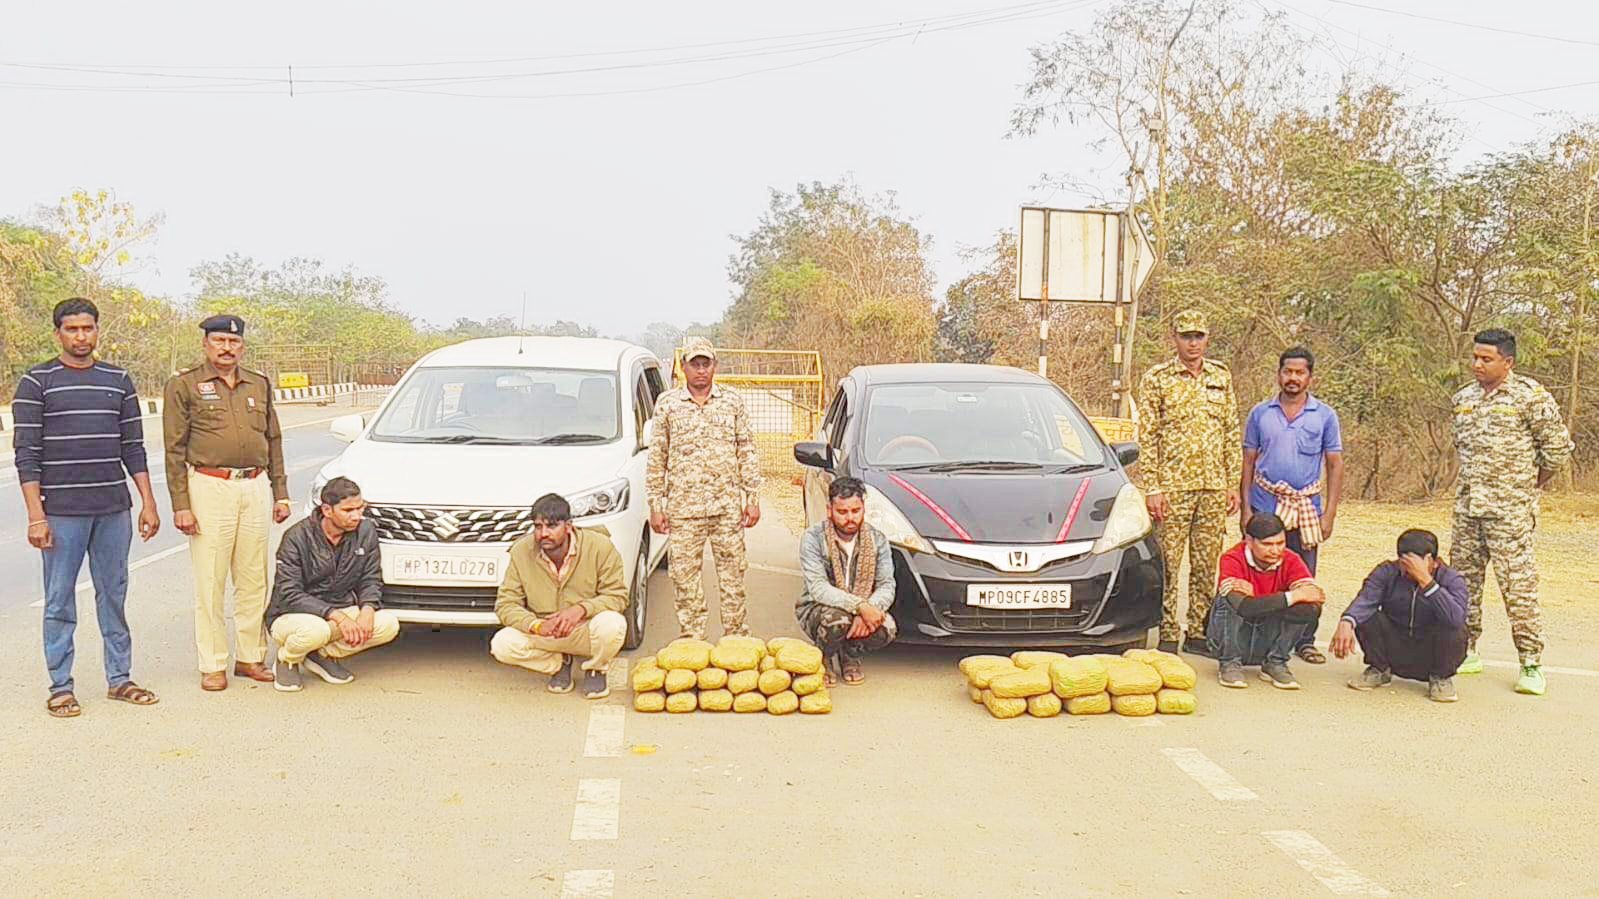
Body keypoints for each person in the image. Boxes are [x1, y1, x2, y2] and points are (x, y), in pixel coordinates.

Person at [14, 298, 162, 718]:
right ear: (57, 332)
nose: (81, 336)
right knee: (59, 601)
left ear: (98, 330)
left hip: (113, 509)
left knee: (113, 595)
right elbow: (27, 454)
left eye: (88, 328)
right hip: (61, 513)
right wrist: (36, 516)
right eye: (72, 329)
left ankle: (120, 679)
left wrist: (147, 503)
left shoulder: (117, 380)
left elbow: (133, 447)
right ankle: (61, 686)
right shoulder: (37, 381)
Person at [163, 314, 291, 691]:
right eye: (219, 341)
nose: (226, 348)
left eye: (233, 342)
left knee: (254, 579)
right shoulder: (184, 385)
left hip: (253, 484)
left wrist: (280, 492)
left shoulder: (259, 384)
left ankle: (250, 656)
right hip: (209, 485)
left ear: (242, 347)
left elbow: (274, 441)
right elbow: (173, 449)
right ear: (205, 344)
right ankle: (213, 663)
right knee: (211, 579)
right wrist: (180, 504)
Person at [1449, 328, 1573, 696]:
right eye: (1474, 357)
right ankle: (1466, 649)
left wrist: (1527, 486)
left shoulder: (1530, 397)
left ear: (1508, 362)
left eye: (1486, 359)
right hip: (1468, 509)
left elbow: (1557, 450)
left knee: (1518, 588)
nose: (1477, 365)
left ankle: (1531, 662)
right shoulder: (1463, 400)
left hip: (1510, 512)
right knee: (1463, 583)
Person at [1136, 309, 1240, 656]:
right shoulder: (1158, 378)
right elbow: (1147, 435)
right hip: (1172, 487)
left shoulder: (1220, 376)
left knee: (1206, 563)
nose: (1193, 342)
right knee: (1168, 562)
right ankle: (1168, 630)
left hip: (1213, 486)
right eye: (1186, 336)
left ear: (1207, 338)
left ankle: (1198, 630)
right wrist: (1152, 486)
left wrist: (1232, 483)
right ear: (1174, 338)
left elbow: (1230, 431)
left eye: (1199, 335)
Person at [646, 337, 763, 640]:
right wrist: (655, 505)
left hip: (726, 508)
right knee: (684, 579)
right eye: (694, 364)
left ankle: (736, 640)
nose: (700, 370)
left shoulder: (732, 401)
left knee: (733, 577)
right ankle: (693, 640)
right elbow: (657, 455)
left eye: (705, 364)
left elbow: (746, 449)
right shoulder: (668, 404)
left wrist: (752, 498)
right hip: (683, 511)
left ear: (715, 367)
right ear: (683, 367)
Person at [1240, 346, 1344, 666]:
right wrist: (1246, 508)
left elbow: (1335, 465)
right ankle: (1257, 637)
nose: (1293, 378)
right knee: (1261, 571)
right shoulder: (1260, 413)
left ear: (1310, 377)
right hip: (1265, 505)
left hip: (1305, 509)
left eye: (1300, 373)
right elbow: (1248, 462)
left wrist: (1329, 513)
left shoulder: (1324, 416)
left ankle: (1304, 640)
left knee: (1303, 575)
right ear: (1279, 374)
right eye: (1288, 371)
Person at [265, 477, 398, 691]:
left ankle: (319, 655)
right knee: (315, 631)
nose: (357, 516)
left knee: (388, 624)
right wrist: (335, 615)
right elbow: (289, 593)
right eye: (348, 510)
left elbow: (371, 577)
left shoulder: (365, 531)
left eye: (360, 508)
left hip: (341, 609)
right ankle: (287, 658)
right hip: (291, 614)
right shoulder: (297, 537)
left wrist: (367, 610)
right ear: (327, 510)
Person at [490, 493, 628, 700]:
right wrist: (535, 625)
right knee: (502, 644)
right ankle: (558, 663)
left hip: (584, 628)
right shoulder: (521, 551)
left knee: (613, 623)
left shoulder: (600, 547)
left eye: (551, 526)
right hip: (546, 632)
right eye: (538, 527)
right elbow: (506, 604)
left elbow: (618, 596)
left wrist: (581, 609)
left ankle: (596, 668)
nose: (543, 534)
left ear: (569, 526)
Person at [1330, 529, 1468, 703]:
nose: (1408, 569)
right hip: (1396, 645)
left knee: (1456, 628)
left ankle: (1440, 678)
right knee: (1365, 616)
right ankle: (1379, 669)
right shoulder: (1387, 571)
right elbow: (1366, 600)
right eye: (1404, 563)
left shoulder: (1451, 579)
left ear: (1430, 560)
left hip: (1431, 650)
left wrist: (1426, 581)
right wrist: (1347, 621)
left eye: (1413, 563)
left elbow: (1455, 618)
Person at [795, 477, 896, 686]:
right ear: (829, 510)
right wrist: (860, 607)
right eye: (842, 512)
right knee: (838, 621)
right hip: (819, 609)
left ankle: (851, 654)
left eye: (855, 511)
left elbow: (887, 585)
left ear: (863, 509)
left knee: (887, 627)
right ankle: (824, 655)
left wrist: (869, 609)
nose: (850, 518)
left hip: (863, 607)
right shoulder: (813, 538)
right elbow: (818, 589)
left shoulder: (877, 540)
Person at [1208, 514, 1323, 690]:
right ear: (1249, 540)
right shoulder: (1232, 558)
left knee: (1309, 608)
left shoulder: (1291, 559)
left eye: (1280, 543)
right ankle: (1229, 663)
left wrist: (1257, 598)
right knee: (1227, 600)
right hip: (1231, 639)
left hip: (1266, 635)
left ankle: (1275, 663)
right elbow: (1244, 607)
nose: (1275, 551)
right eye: (1267, 544)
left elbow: (1313, 595)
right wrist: (1291, 596)